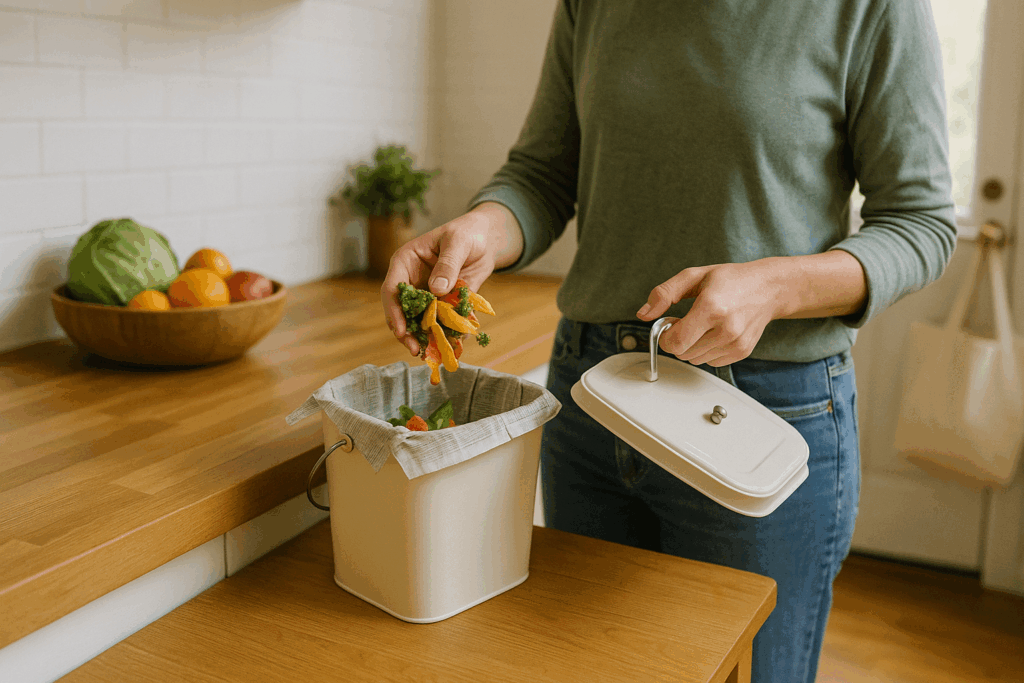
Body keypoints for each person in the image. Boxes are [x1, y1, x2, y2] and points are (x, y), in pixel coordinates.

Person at [381, 1, 957, 681]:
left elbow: (922, 223)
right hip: (590, 400)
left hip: (763, 407)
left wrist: (776, 287)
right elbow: (541, 174)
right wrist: (483, 227)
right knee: (590, 665)